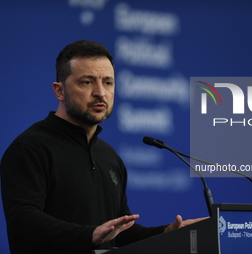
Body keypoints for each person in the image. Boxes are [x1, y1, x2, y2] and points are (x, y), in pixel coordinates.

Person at [0, 40, 203, 254]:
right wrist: (90, 235)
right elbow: (22, 223)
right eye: (87, 82)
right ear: (59, 91)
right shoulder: (30, 147)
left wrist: (166, 233)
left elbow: (119, 234)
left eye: (108, 83)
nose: (100, 92)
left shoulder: (109, 157)